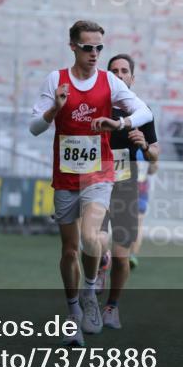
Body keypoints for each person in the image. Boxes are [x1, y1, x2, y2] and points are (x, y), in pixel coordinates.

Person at [29, 21, 152, 346]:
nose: (95, 53)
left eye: (99, 47)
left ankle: (90, 294)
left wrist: (119, 121)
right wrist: (55, 108)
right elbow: (33, 127)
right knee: (69, 250)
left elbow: (143, 111)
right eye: (88, 47)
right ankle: (73, 315)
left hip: (100, 174)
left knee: (90, 236)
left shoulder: (110, 81)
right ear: (73, 46)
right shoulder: (56, 80)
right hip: (65, 176)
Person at [98, 54, 160, 329]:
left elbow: (156, 154)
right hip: (94, 183)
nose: (119, 74)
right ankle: (99, 266)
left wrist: (145, 146)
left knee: (123, 255)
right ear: (107, 75)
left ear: (132, 79)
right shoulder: (95, 106)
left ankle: (112, 307)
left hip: (125, 184)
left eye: (124, 71)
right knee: (92, 241)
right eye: (114, 70)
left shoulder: (141, 111)